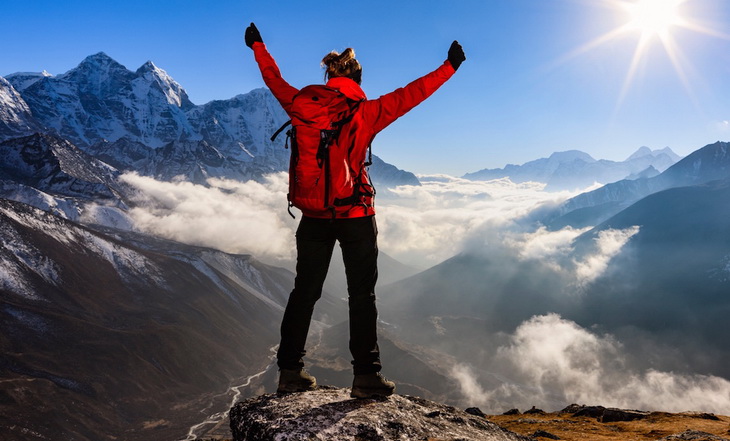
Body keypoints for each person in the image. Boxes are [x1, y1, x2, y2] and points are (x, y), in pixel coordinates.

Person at [244, 22, 465, 398]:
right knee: (362, 295)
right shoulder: (366, 111)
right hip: (355, 215)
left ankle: (289, 372)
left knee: (304, 292)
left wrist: (258, 46)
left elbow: (273, 78)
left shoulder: (300, 104)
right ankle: (366, 376)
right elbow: (412, 94)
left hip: (313, 215)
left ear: (328, 76)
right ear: (358, 80)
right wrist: (449, 66)